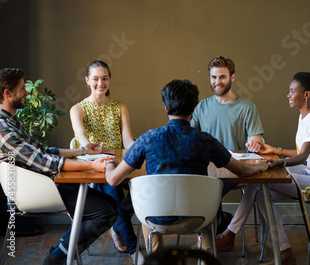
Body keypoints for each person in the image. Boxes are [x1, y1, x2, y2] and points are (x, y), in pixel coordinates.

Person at [104, 79, 269, 255]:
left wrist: (109, 163)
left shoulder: (148, 139)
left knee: (149, 216)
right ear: (193, 109)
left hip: (155, 219)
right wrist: (261, 166)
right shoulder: (206, 140)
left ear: (166, 108)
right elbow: (243, 171)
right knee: (209, 217)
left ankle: (155, 257)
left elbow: (113, 179)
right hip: (198, 218)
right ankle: (206, 257)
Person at [0, 67, 117, 265]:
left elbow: (44, 151)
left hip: (47, 185)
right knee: (106, 211)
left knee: (111, 206)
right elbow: (45, 161)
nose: (27, 92)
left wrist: (83, 151)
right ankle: (56, 258)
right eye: (22, 89)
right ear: (7, 93)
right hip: (37, 192)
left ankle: (59, 254)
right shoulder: (3, 129)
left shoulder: (11, 121)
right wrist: (94, 166)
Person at [218, 72, 310, 265]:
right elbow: (301, 152)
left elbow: (303, 156)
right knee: (261, 190)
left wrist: (279, 162)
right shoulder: (305, 117)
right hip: (309, 173)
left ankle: (230, 234)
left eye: (292, 91)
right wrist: (275, 150)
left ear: (306, 94)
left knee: (259, 183)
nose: (288, 95)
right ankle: (285, 253)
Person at [70, 60, 144, 265]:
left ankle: (116, 227)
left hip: (120, 165)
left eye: (104, 78)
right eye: (95, 79)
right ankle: (134, 249)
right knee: (114, 193)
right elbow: (81, 138)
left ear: (110, 79)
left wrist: (142, 147)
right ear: (87, 80)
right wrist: (90, 147)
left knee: (135, 191)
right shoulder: (78, 108)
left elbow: (128, 140)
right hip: (95, 164)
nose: (100, 83)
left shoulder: (120, 106)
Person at [190, 55, 265, 235]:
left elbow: (257, 139)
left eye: (222, 77)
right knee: (200, 190)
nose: (217, 82)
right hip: (206, 170)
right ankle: (220, 227)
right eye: (214, 77)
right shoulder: (202, 106)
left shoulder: (247, 106)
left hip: (234, 169)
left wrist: (256, 144)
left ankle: (216, 233)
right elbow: (189, 137)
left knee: (207, 193)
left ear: (232, 77)